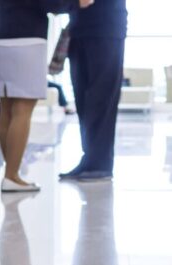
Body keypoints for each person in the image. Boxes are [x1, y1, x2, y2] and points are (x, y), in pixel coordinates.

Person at [0, 0, 94, 193]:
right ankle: (11, 176)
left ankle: (11, 173)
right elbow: (50, 3)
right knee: (22, 110)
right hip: (27, 39)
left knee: (6, 110)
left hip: (0, 36)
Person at [59, 0, 128, 181]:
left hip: (107, 30)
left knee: (101, 97)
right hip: (79, 30)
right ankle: (89, 160)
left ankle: (100, 164)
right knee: (83, 99)